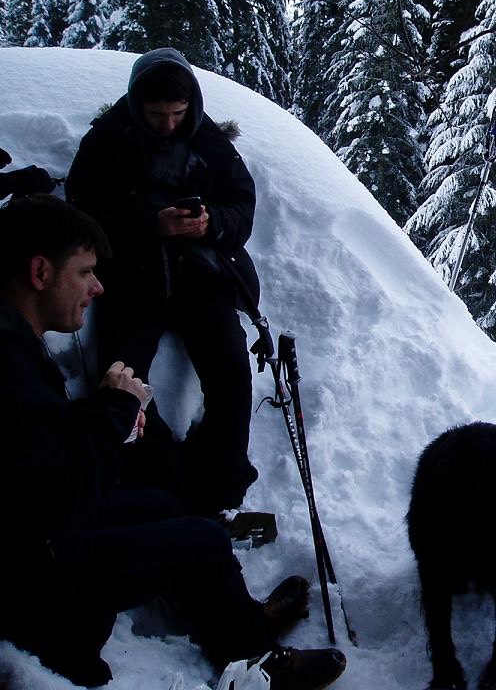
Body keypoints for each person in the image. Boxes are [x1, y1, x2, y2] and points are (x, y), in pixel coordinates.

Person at [0, 195, 345, 689]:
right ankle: (259, 668)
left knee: (163, 505)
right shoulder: (6, 359)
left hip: (35, 541)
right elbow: (56, 496)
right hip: (28, 574)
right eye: (85, 272)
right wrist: (114, 413)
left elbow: (33, 447)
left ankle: (235, 620)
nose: (97, 288)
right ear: (39, 272)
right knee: (202, 541)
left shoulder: (13, 341)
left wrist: (104, 411)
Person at [65, 48, 260, 513]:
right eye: (157, 115)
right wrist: (151, 225)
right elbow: (83, 219)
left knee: (232, 372)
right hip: (132, 279)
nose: (169, 124)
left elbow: (242, 207)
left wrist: (210, 223)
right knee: (122, 379)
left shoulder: (210, 141)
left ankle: (220, 484)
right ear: (136, 105)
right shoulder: (106, 142)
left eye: (178, 113)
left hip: (203, 278)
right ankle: (159, 487)